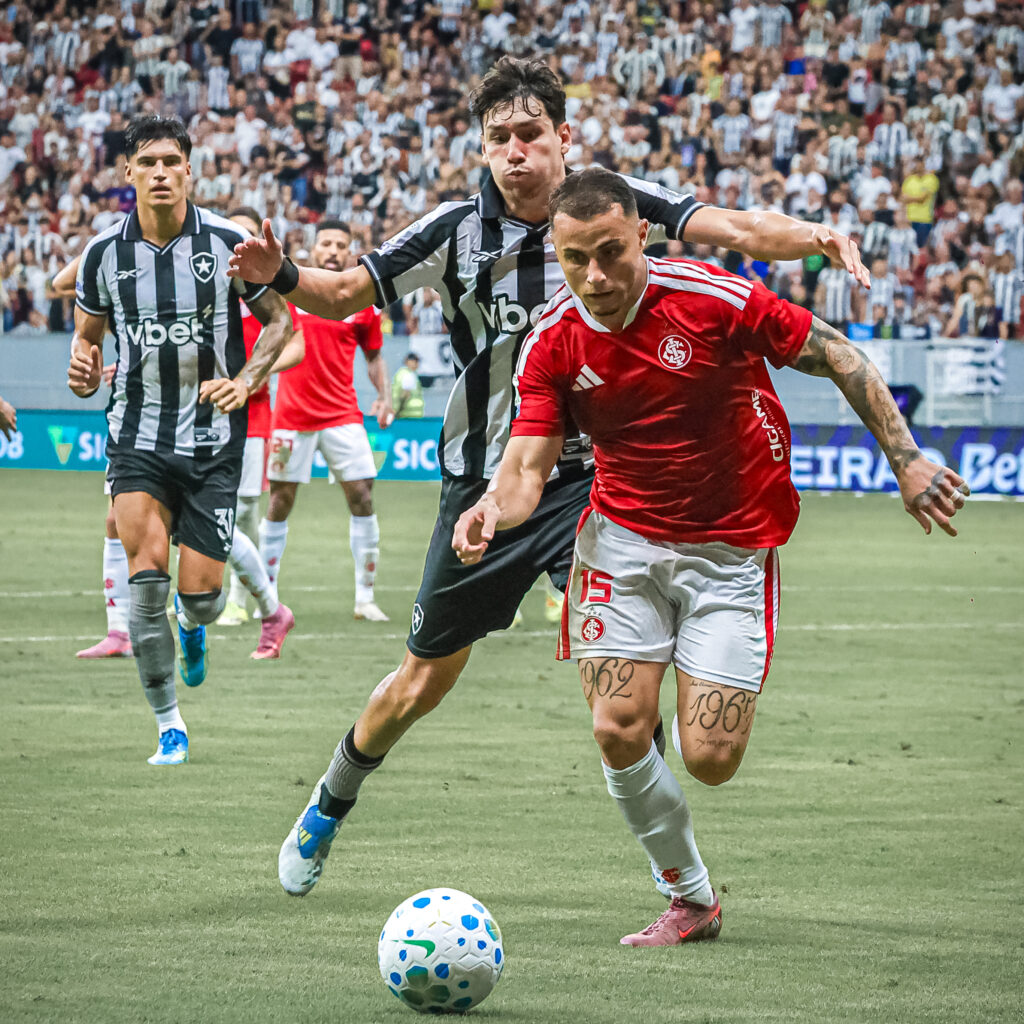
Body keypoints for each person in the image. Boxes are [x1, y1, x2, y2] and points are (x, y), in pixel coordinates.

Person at [227, 56, 869, 898]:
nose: (515, 152)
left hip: (600, 487)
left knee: (627, 698)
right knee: (423, 678)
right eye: (499, 138)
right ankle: (329, 801)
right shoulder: (455, 230)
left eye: (530, 134)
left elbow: (738, 230)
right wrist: (279, 275)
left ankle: (680, 880)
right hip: (489, 484)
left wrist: (813, 237)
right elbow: (345, 293)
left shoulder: (618, 207)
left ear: (564, 137)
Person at [451, 167, 969, 946]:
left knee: (712, 758)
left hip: (731, 551)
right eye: (575, 260)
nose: (596, 276)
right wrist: (491, 507)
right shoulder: (552, 340)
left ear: (642, 238)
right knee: (620, 728)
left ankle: (693, 852)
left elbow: (840, 357)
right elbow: (526, 467)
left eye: (611, 252)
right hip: (621, 545)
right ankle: (690, 896)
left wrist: (908, 459)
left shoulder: (713, 301)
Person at [67, 115, 295, 766]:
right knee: (146, 588)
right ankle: (169, 724)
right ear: (127, 173)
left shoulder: (229, 241)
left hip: (213, 437)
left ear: (190, 170)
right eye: (148, 162)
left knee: (201, 598)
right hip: (136, 432)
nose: (161, 172)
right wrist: (83, 370)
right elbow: (87, 339)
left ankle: (195, 628)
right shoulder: (103, 255)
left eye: (173, 161)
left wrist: (248, 379)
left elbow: (279, 321)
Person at [257, 219, 393, 624]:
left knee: (362, 497)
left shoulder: (360, 303)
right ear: (313, 251)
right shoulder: (286, 294)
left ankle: (365, 598)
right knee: (279, 502)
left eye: (340, 245)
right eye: (326, 244)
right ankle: (268, 598)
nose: (332, 251)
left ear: (350, 253)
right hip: (291, 416)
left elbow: (373, 357)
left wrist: (384, 397)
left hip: (342, 414)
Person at [220, 206, 305, 636]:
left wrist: (253, 375)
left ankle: (240, 596)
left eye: (250, 235)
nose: (242, 243)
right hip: (202, 410)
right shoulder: (211, 286)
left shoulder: (267, 291)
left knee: (247, 507)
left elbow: (296, 344)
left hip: (251, 415)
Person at [392, 352, 424, 419]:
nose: (417, 364)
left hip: (409, 414)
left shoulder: (403, 373)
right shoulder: (408, 375)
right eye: (415, 361)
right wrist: (396, 411)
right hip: (409, 414)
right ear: (408, 361)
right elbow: (405, 394)